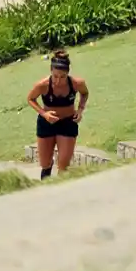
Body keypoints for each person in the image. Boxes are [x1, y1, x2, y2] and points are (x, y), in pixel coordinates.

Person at [27, 50, 89, 180]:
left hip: (67, 123)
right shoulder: (42, 85)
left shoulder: (77, 83)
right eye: (55, 76)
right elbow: (30, 99)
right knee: (45, 163)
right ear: (50, 70)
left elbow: (84, 93)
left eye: (62, 77)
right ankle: (45, 187)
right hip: (47, 123)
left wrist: (80, 109)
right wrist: (44, 114)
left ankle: (61, 190)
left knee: (64, 166)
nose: (58, 80)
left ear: (68, 73)